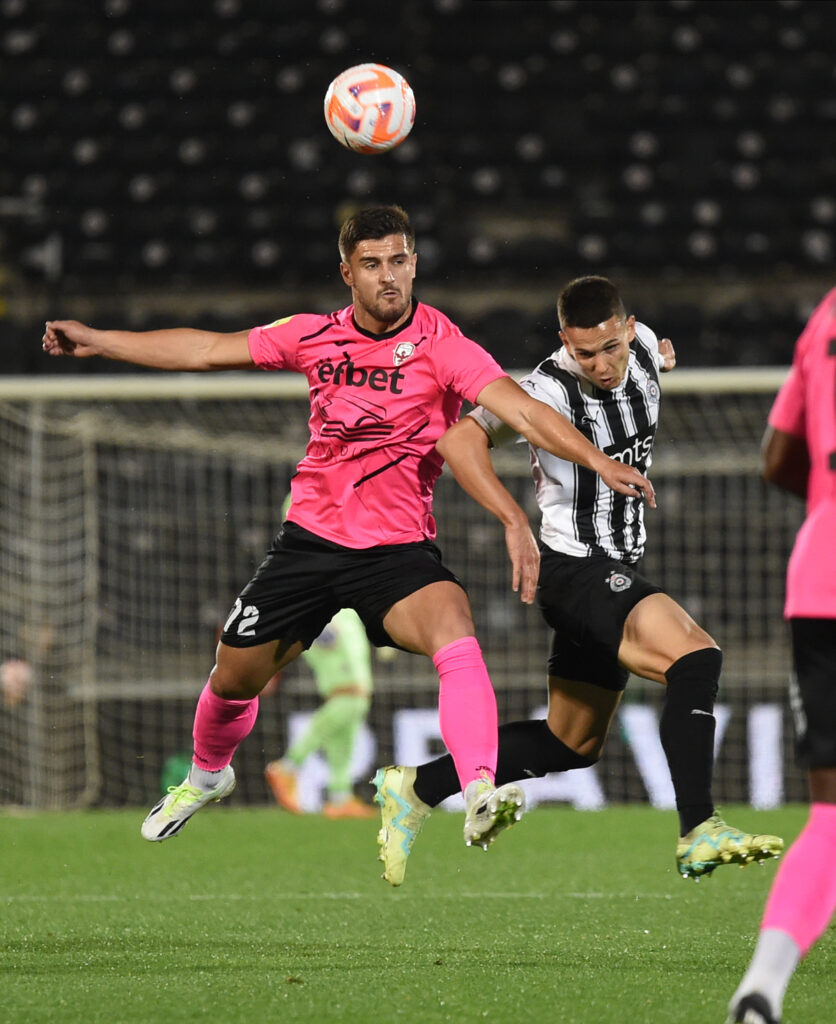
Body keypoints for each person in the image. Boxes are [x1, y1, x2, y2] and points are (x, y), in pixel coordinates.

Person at [41, 206, 656, 849]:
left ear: (414, 264)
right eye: (372, 265)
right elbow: (205, 349)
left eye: (398, 261)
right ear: (347, 274)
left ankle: (479, 789)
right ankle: (206, 776)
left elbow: (522, 410)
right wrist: (101, 339)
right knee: (232, 676)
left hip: (396, 550)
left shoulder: (444, 345)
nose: (388, 277)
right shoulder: (312, 336)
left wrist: (597, 461)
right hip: (309, 542)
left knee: (454, 624)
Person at [374, 274, 783, 886]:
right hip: (575, 571)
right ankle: (699, 827)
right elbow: (461, 440)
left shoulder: (643, 344)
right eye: (585, 353)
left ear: (626, 328)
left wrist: (662, 358)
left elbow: (652, 357)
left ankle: (417, 786)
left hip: (615, 569)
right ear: (565, 339)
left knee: (571, 744)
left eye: (611, 348)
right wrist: (511, 515)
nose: (602, 364)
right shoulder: (545, 389)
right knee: (695, 658)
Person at [725, 289, 836, 1024]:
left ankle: (762, 986)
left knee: (831, 814)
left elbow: (776, 457)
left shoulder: (826, 315)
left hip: (823, 573)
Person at [264, 605, 377, 819]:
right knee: (341, 713)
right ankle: (287, 766)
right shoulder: (321, 612)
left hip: (355, 685)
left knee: (342, 739)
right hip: (343, 682)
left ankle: (340, 797)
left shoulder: (351, 613)